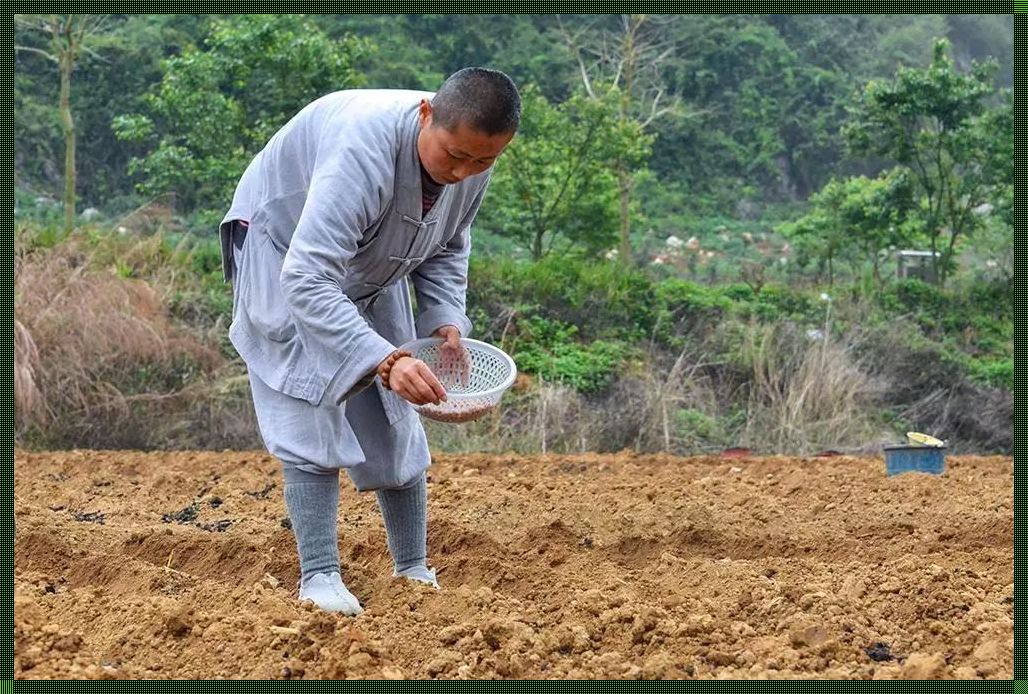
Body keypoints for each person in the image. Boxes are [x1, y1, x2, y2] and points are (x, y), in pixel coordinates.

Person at [219, 68, 521, 615]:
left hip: (372, 264)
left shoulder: (471, 157)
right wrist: (385, 357)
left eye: (483, 162)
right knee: (309, 400)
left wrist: (444, 320)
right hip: (287, 257)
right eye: (454, 156)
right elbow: (308, 277)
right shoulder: (361, 148)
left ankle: (411, 568)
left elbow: (449, 242)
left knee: (394, 414)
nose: (464, 172)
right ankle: (319, 576)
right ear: (426, 114)